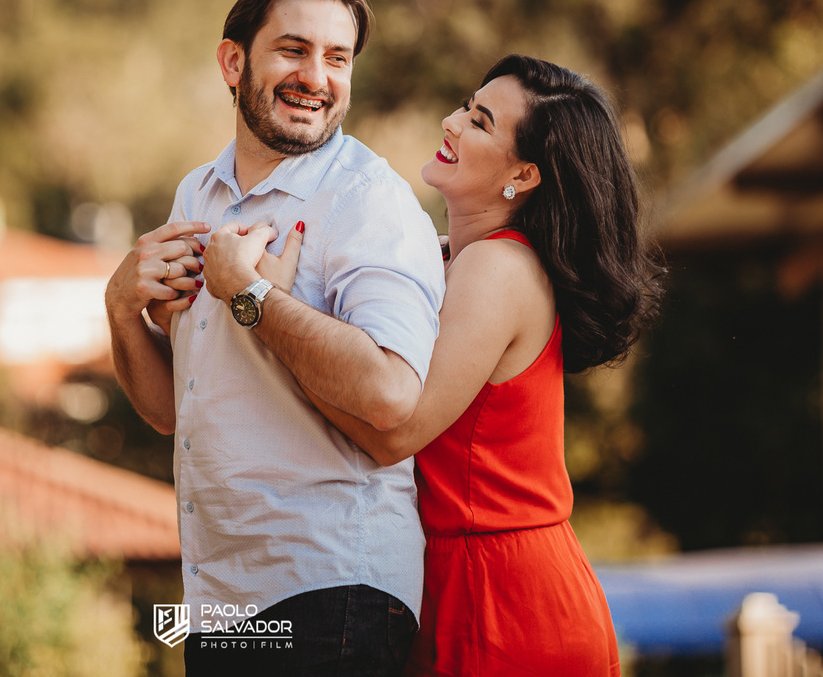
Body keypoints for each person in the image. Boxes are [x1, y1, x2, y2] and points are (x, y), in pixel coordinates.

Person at [202, 54, 664, 676]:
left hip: (504, 597)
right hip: (451, 575)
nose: (450, 122)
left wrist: (257, 302)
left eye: (478, 121)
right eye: (465, 106)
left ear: (522, 174)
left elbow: (392, 430)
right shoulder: (447, 258)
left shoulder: (501, 268)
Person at [104, 0, 446, 675]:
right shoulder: (197, 193)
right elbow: (174, 411)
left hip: (330, 588)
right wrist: (120, 310)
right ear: (235, 62)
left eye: (337, 58)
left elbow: (391, 394)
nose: (315, 76)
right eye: (293, 50)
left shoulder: (368, 203)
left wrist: (252, 298)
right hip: (221, 596)